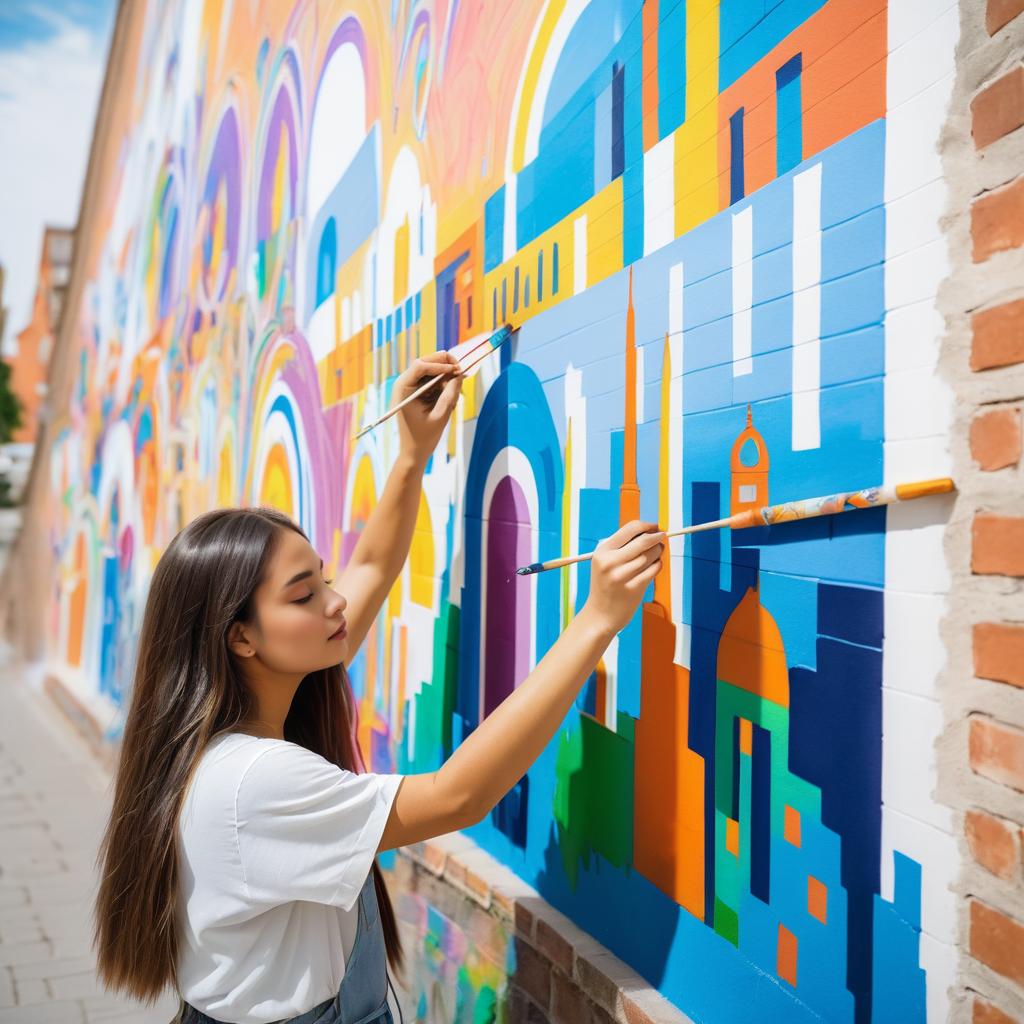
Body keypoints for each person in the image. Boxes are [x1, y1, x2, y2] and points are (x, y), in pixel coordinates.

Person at [91, 348, 666, 1024]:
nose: (335, 604)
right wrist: (595, 622)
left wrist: (411, 454)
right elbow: (457, 796)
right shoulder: (255, 780)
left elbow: (369, 567)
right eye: (305, 595)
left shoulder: (236, 718)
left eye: (321, 580)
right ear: (239, 637)